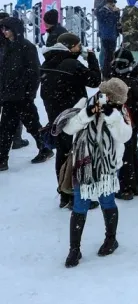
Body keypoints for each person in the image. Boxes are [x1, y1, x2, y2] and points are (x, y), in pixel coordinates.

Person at [61, 79, 132, 268]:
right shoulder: (85, 103)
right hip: (83, 164)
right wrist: (87, 113)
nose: (111, 102)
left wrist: (111, 116)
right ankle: (74, 249)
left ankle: (111, 239)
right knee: (80, 204)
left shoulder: (120, 111)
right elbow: (68, 128)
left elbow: (125, 136)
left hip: (107, 167)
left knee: (107, 201)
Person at [40, 33, 102, 207]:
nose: (80, 48)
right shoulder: (72, 63)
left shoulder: (48, 61)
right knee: (77, 154)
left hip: (56, 116)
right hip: (73, 114)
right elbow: (95, 80)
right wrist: (91, 59)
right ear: (71, 47)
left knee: (63, 152)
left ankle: (63, 194)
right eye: (78, 45)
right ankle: (75, 196)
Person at [0, 17, 46, 170]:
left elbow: (34, 73)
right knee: (11, 127)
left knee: (27, 124)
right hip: (9, 95)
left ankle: (44, 147)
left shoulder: (27, 47)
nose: (4, 32)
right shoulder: (6, 46)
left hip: (21, 95)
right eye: (3, 29)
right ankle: (3, 159)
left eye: (7, 29)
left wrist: (29, 93)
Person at [110, 49, 138, 200]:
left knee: (124, 152)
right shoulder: (134, 77)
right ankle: (135, 184)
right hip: (134, 122)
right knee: (131, 149)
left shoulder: (121, 82)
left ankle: (126, 188)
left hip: (124, 123)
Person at [96, 0, 121, 80]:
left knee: (111, 55)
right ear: (108, 4)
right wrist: (114, 12)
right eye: (112, 5)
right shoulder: (102, 11)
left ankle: (108, 71)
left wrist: (117, 13)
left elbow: (116, 21)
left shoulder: (110, 12)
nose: (113, 6)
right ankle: (105, 73)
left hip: (112, 35)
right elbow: (109, 21)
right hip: (106, 36)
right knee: (107, 55)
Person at [120, 0, 138, 65]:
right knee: (136, 61)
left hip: (126, 40)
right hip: (136, 41)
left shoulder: (125, 12)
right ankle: (135, 72)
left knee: (127, 59)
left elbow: (119, 24)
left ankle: (126, 71)